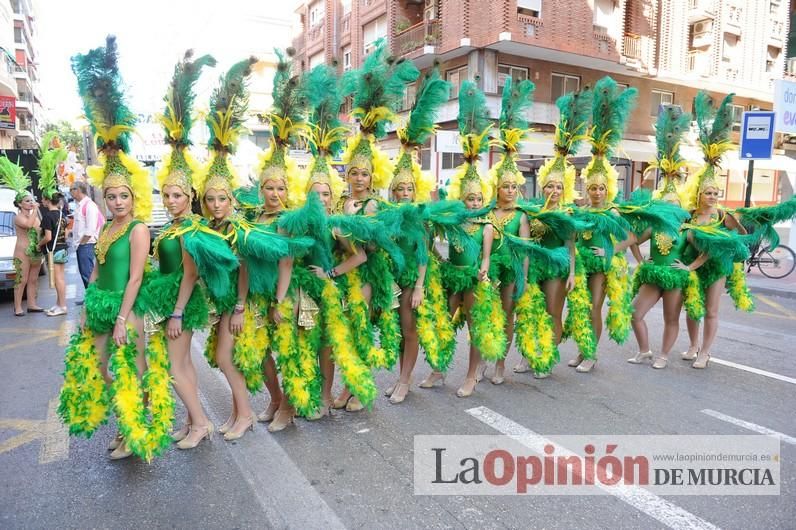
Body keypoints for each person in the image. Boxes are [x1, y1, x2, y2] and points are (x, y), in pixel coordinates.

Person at [59, 36, 168, 461]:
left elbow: (136, 275)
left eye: (123, 196)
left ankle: (133, 434)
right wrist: (88, 303)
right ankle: (125, 426)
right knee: (104, 370)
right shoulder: (105, 226)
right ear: (105, 197)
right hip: (101, 303)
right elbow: (96, 269)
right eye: (112, 196)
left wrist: (123, 317)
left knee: (132, 372)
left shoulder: (139, 229)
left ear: (134, 197)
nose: (117, 202)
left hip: (128, 307)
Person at [141, 51, 222, 449]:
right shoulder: (174, 224)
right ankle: (194, 421)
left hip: (181, 302)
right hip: (171, 298)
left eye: (177, 195)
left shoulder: (192, 227)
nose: (170, 200)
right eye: (165, 194)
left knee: (175, 366)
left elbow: (190, 274)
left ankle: (202, 422)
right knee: (183, 363)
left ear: (190, 195)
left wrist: (175, 312)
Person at [567, 77, 638, 373]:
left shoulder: (613, 211)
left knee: (594, 307)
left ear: (607, 188)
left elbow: (631, 237)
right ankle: (584, 350)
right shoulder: (580, 208)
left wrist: (609, 252)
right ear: (586, 188)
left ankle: (593, 355)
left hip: (601, 264)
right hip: (581, 263)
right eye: (592, 188)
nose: (596, 192)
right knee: (580, 308)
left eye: (601, 188)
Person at [0, 157, 44, 315]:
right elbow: (28, 225)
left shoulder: (34, 216)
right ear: (20, 204)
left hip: (35, 252)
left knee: (33, 279)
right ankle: (18, 306)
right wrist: (34, 212)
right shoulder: (18, 217)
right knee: (21, 280)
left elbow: (39, 228)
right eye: (27, 201)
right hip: (22, 252)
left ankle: (32, 303)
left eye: (32, 200)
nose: (31, 203)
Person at [69, 180, 103, 291]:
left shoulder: (89, 205)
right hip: (82, 244)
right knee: (85, 273)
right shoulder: (80, 205)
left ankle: (93, 299)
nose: (70, 192)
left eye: (71, 190)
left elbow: (90, 229)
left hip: (87, 244)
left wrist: (82, 242)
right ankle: (88, 297)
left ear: (78, 190)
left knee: (88, 273)